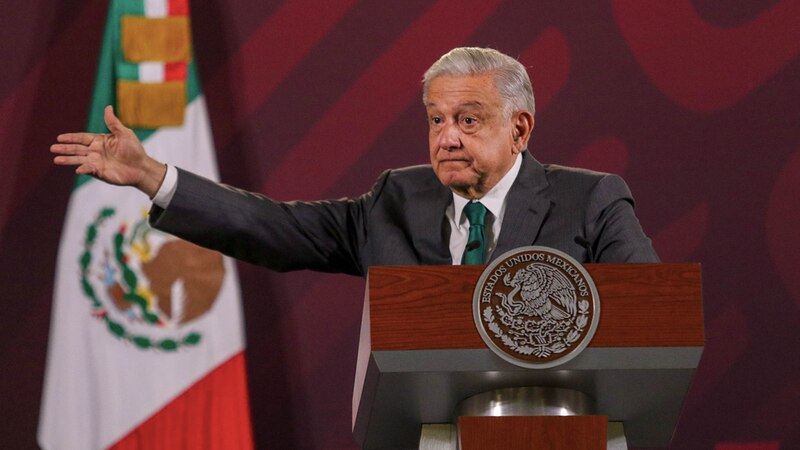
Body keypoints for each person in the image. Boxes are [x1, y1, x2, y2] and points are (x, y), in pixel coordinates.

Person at [51, 47, 658, 275]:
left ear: (520, 128)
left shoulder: (591, 200)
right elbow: (274, 229)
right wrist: (153, 177)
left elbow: (650, 329)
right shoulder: (396, 200)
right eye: (436, 120)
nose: (446, 138)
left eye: (468, 121)